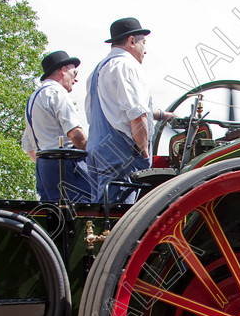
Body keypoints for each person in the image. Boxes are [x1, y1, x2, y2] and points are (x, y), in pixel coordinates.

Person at [85, 17, 174, 203]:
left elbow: (105, 111)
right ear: (132, 41)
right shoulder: (127, 66)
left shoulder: (97, 71)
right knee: (123, 217)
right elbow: (137, 114)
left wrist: (161, 115)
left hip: (95, 149)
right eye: (143, 42)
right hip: (121, 153)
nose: (145, 50)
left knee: (100, 211)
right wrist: (144, 153)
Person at [22, 50, 92, 202]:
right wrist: (94, 156)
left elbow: (28, 144)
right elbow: (76, 135)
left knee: (52, 213)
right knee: (84, 210)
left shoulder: (33, 98)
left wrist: (46, 161)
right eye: (74, 73)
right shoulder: (57, 92)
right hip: (66, 164)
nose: (76, 79)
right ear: (63, 70)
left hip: (43, 165)